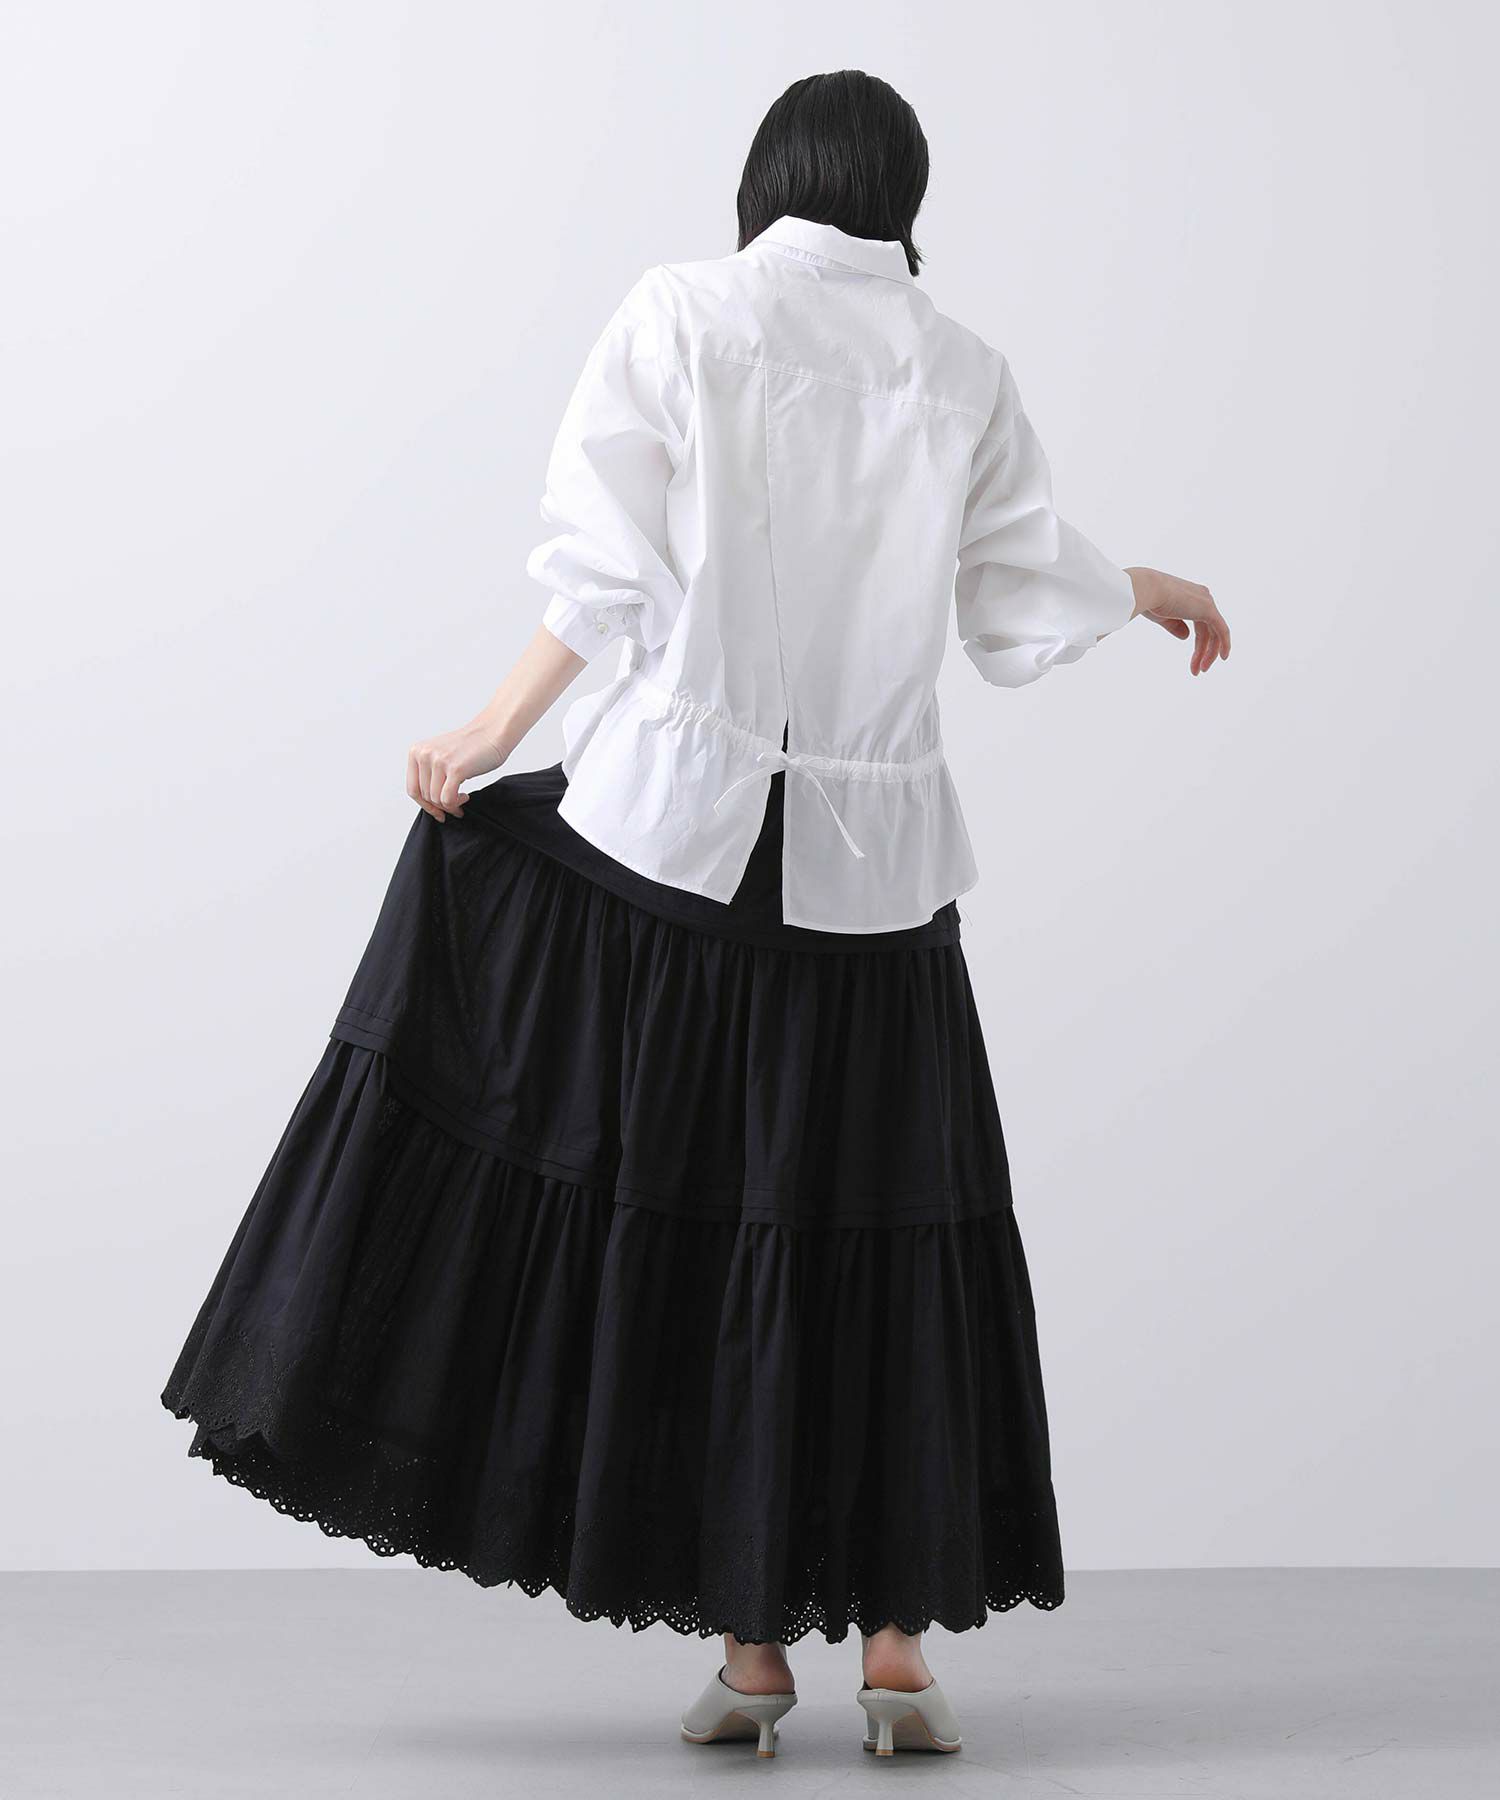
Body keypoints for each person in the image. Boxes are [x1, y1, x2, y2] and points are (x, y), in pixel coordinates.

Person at [162, 68, 1228, 1761]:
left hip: (682, 854)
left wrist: (488, 738)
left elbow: (604, 571)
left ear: (769, 179)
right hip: (879, 881)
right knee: (882, 1238)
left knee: (705, 1235)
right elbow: (1015, 590)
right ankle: (897, 1659)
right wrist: (1149, 585)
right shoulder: (959, 367)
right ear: (902, 194)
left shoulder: (684, 311)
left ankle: (751, 1658)